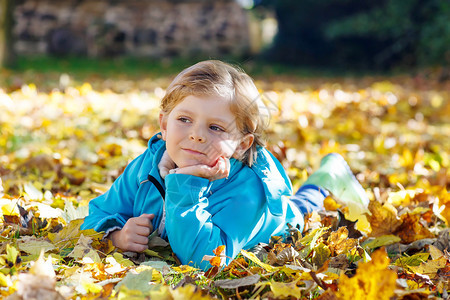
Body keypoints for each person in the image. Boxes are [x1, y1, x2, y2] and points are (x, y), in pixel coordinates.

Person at [81, 60, 369, 270]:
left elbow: (205, 260)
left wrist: (187, 184)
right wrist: (117, 236)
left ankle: (326, 179)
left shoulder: (248, 190)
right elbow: (98, 213)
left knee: (302, 208)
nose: (196, 134)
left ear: (242, 144)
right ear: (164, 125)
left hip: (278, 219)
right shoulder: (146, 167)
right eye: (184, 120)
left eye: (216, 128)